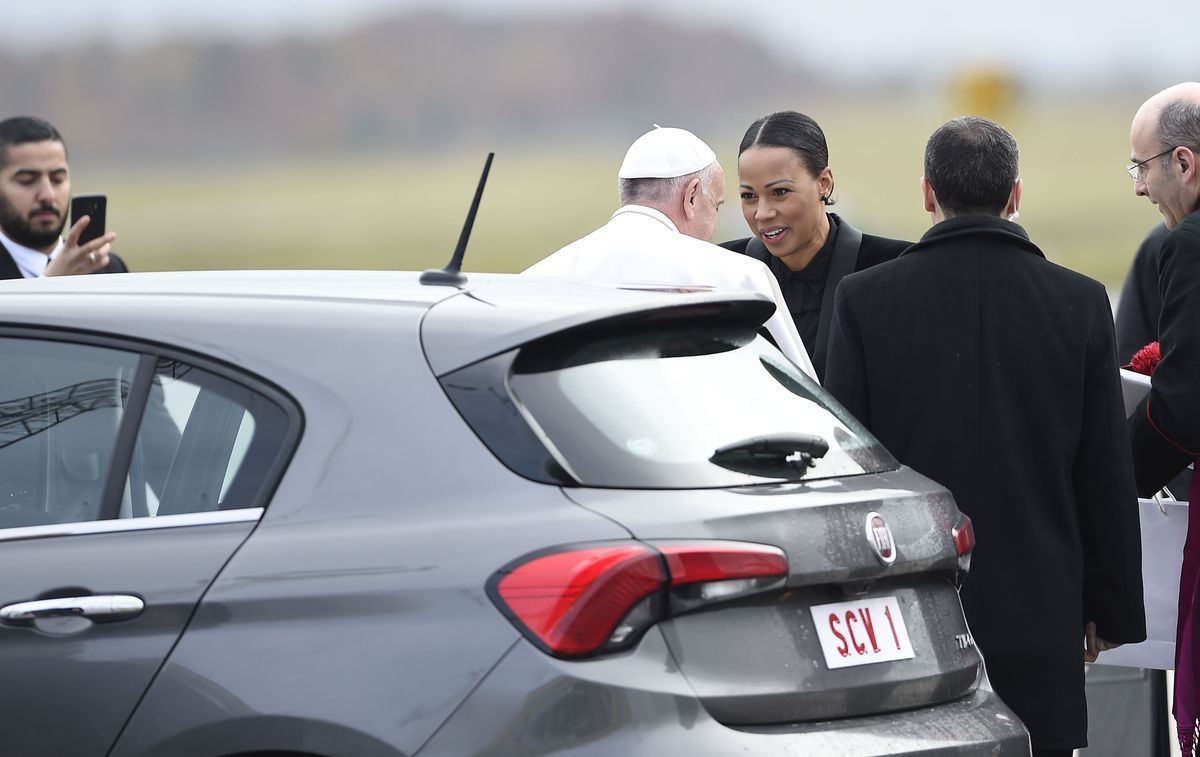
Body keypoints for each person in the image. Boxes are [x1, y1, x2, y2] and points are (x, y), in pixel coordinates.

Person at [823, 116, 1146, 757]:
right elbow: (1104, 471)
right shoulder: (1079, 303)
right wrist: (1108, 609)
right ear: (1015, 195)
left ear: (927, 194)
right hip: (1042, 606)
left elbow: (848, 472)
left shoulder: (863, 300)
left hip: (909, 614)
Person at [523, 125, 816, 378]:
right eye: (715, 206)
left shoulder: (534, 281)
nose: (713, 227)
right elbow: (803, 394)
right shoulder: (739, 277)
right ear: (691, 197)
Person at [721, 111, 910, 381]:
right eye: (748, 196)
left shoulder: (893, 267)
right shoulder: (722, 272)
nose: (762, 213)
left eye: (780, 192)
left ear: (824, 183)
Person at [1124, 81, 1200, 756]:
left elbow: (1181, 407)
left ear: (1184, 163)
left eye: (1142, 167)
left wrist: (1110, 478)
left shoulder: (1190, 243)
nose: (1140, 188)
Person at [0, 116, 123, 280]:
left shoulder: (109, 270)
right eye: (27, 181)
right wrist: (51, 281)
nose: (48, 195)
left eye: (57, 179)